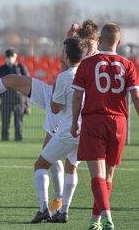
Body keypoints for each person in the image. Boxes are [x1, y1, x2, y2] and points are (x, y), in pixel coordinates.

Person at [0, 20, 100, 214]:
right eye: (84, 39)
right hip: (58, 95)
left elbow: (73, 82)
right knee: (11, 80)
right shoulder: (78, 50)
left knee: (60, 160)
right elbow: (66, 67)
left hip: (69, 108)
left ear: (97, 42)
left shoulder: (98, 60)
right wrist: (69, 39)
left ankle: (59, 199)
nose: (87, 42)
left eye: (90, 40)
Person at [71, 23, 139, 230]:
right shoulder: (128, 65)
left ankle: (107, 219)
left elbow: (77, 95)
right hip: (118, 122)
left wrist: (74, 122)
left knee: (97, 175)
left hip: (94, 121)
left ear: (99, 41)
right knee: (108, 176)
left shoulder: (87, 63)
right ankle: (95, 221)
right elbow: (136, 97)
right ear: (119, 42)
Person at [30, 37, 88, 224]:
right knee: (71, 168)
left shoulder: (64, 77)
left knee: (40, 165)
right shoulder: (88, 73)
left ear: (66, 55)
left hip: (68, 130)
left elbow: (55, 108)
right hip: (86, 130)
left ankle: (43, 209)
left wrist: (56, 94)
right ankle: (63, 212)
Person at [0, 48, 29, 141]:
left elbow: (27, 83)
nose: (10, 58)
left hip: (19, 100)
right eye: (8, 56)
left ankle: (19, 140)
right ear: (5, 58)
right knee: (5, 123)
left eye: (12, 56)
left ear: (16, 57)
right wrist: (3, 96)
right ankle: (4, 140)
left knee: (19, 123)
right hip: (5, 100)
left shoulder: (21, 68)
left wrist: (26, 102)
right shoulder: (1, 69)